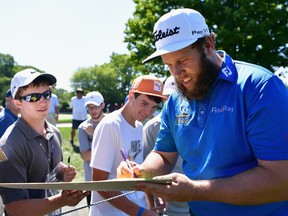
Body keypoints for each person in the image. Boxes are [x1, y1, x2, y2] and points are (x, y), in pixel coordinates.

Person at [117, 8, 288, 216]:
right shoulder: (176, 100)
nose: (177, 74)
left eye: (182, 61)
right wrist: (140, 171)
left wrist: (195, 191)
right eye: (169, 65)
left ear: (208, 45)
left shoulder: (259, 87)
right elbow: (163, 154)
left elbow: (280, 180)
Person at [0, 68, 89, 216]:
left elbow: (49, 175)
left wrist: (62, 173)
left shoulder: (54, 132)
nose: (43, 101)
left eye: (47, 94)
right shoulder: (9, 144)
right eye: (34, 97)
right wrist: (62, 200)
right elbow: (15, 209)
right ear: (18, 103)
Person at [89, 75, 166, 216]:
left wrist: (153, 196)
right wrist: (139, 212)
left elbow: (139, 172)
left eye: (154, 107)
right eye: (144, 103)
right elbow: (99, 182)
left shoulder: (139, 126)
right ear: (131, 96)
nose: (148, 112)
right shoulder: (110, 125)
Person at [142, 76, 190, 216]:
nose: (173, 101)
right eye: (168, 97)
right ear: (163, 98)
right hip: (168, 208)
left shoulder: (199, 122)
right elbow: (146, 173)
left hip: (200, 204)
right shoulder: (152, 127)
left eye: (179, 95)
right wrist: (152, 205)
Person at [78, 91, 105, 206]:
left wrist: (94, 135)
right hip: (91, 180)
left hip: (111, 179)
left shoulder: (111, 123)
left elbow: (115, 151)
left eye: (95, 107)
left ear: (102, 105)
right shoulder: (82, 127)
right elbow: (86, 156)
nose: (93, 111)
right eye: (89, 108)